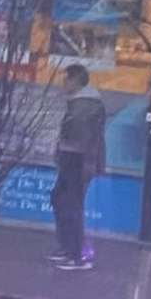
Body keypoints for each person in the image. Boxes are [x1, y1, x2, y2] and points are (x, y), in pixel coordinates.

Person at [50, 63, 109, 271]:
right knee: (62, 200)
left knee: (69, 203)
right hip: (76, 159)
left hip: (78, 160)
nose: (63, 83)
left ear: (75, 81)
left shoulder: (84, 105)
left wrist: (62, 149)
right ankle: (69, 249)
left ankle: (75, 254)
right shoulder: (80, 102)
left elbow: (77, 136)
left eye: (66, 79)